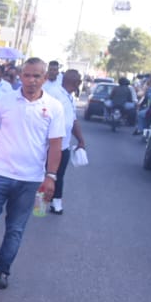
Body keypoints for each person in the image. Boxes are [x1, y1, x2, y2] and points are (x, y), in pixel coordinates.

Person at [0, 58, 66, 289]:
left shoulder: (54, 107)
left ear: (45, 78)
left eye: (37, 76)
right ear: (21, 76)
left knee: (15, 228)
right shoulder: (5, 101)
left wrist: (51, 177)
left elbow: (55, 145)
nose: (32, 80)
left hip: (30, 180)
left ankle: (3, 270)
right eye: (28, 75)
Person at [43, 68, 87, 214]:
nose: (80, 83)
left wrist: (80, 140)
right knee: (47, 174)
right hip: (49, 144)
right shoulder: (54, 93)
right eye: (79, 80)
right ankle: (40, 205)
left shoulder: (70, 97)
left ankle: (56, 203)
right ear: (74, 82)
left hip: (64, 145)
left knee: (59, 175)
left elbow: (73, 120)